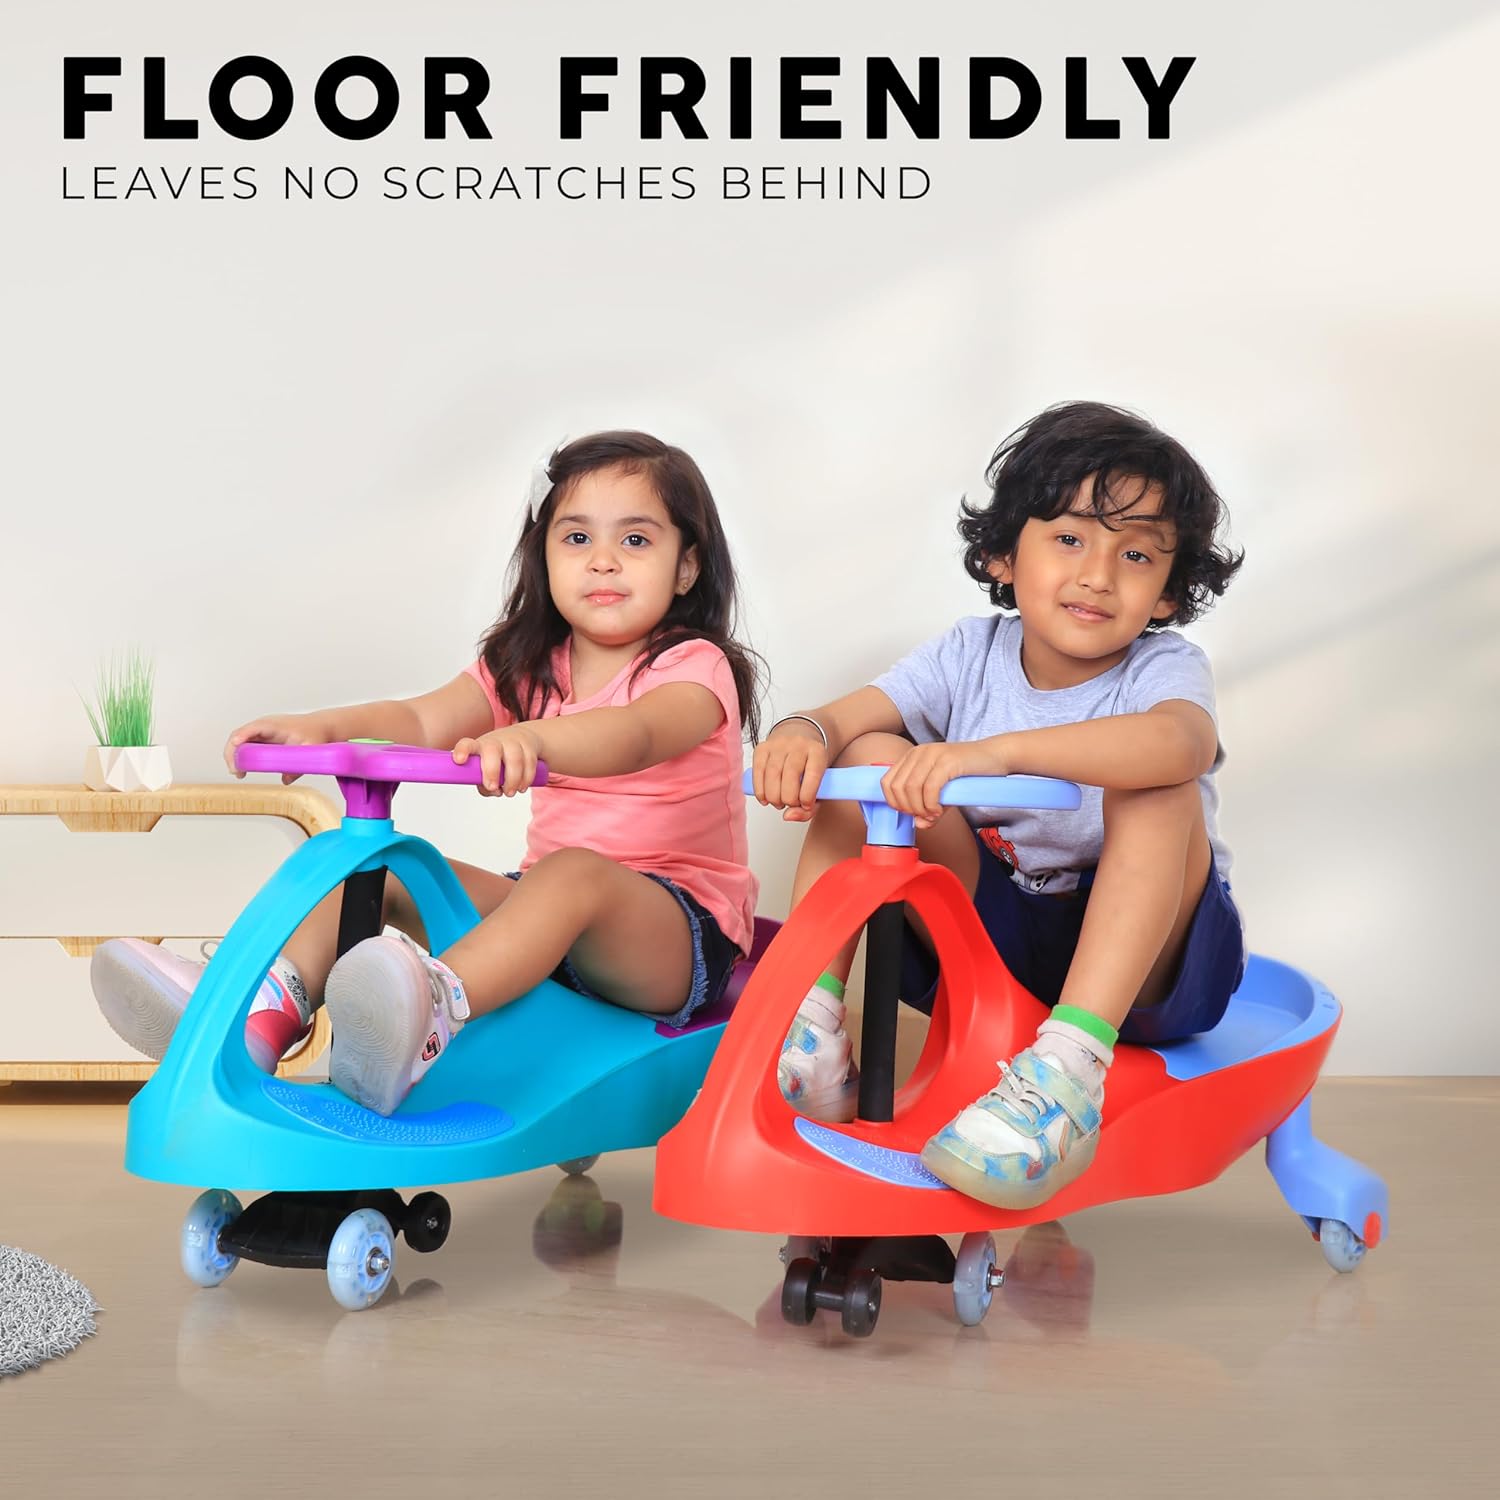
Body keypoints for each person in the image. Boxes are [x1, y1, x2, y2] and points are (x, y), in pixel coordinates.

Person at [92, 431, 761, 1115]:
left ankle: (423, 1017)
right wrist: (324, 726)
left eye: (636, 540)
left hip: (676, 939)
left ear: (686, 566)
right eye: (577, 538)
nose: (603, 560)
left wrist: (534, 738)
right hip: (542, 913)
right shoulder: (529, 665)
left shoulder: (694, 667)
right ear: (545, 554)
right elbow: (420, 718)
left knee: (574, 873)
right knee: (381, 869)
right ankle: (248, 1017)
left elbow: (636, 735)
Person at [752, 401, 1245, 1209]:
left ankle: (1067, 1077)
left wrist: (998, 752)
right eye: (1070, 539)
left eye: (1136, 554)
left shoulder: (1163, 668)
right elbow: (847, 718)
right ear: (1003, 555)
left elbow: (1181, 744)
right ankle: (810, 1028)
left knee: (1159, 783)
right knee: (871, 755)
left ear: (1166, 592)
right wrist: (802, 732)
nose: (1099, 575)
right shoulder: (968, 653)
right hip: (998, 939)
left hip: (1152, 963)